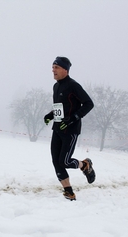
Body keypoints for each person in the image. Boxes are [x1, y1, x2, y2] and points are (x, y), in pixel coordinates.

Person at [44, 56, 95, 201]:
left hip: (70, 130)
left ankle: (84, 164)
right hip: (58, 128)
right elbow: (60, 108)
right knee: (56, 161)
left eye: (56, 67)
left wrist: (73, 119)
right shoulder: (56, 86)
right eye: (53, 67)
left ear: (65, 70)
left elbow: (88, 104)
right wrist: (50, 115)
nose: (53, 70)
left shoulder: (73, 86)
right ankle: (69, 192)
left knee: (64, 162)